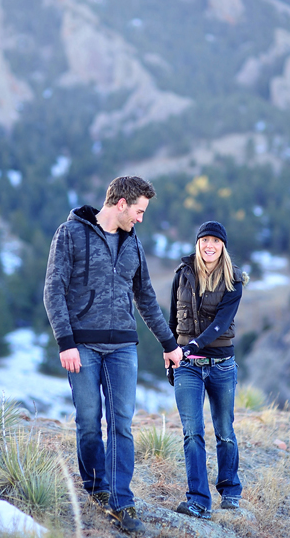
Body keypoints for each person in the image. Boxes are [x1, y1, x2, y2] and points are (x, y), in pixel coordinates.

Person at [44, 176, 183, 533]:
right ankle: (96, 488)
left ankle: (121, 501)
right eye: (138, 211)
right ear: (121, 203)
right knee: (89, 420)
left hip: (123, 347)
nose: (140, 218)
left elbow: (147, 299)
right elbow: (53, 290)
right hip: (83, 346)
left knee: (121, 423)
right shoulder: (70, 234)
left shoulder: (133, 246)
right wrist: (66, 342)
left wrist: (169, 345)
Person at [170, 221, 246, 519]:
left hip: (222, 366)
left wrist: (191, 347)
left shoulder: (234, 280)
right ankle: (198, 500)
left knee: (225, 431)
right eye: (205, 240)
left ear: (223, 246)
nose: (209, 245)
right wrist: (172, 353)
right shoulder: (182, 275)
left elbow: (220, 324)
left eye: (215, 241)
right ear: (198, 243)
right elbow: (173, 319)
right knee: (192, 433)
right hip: (187, 367)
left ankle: (230, 490)